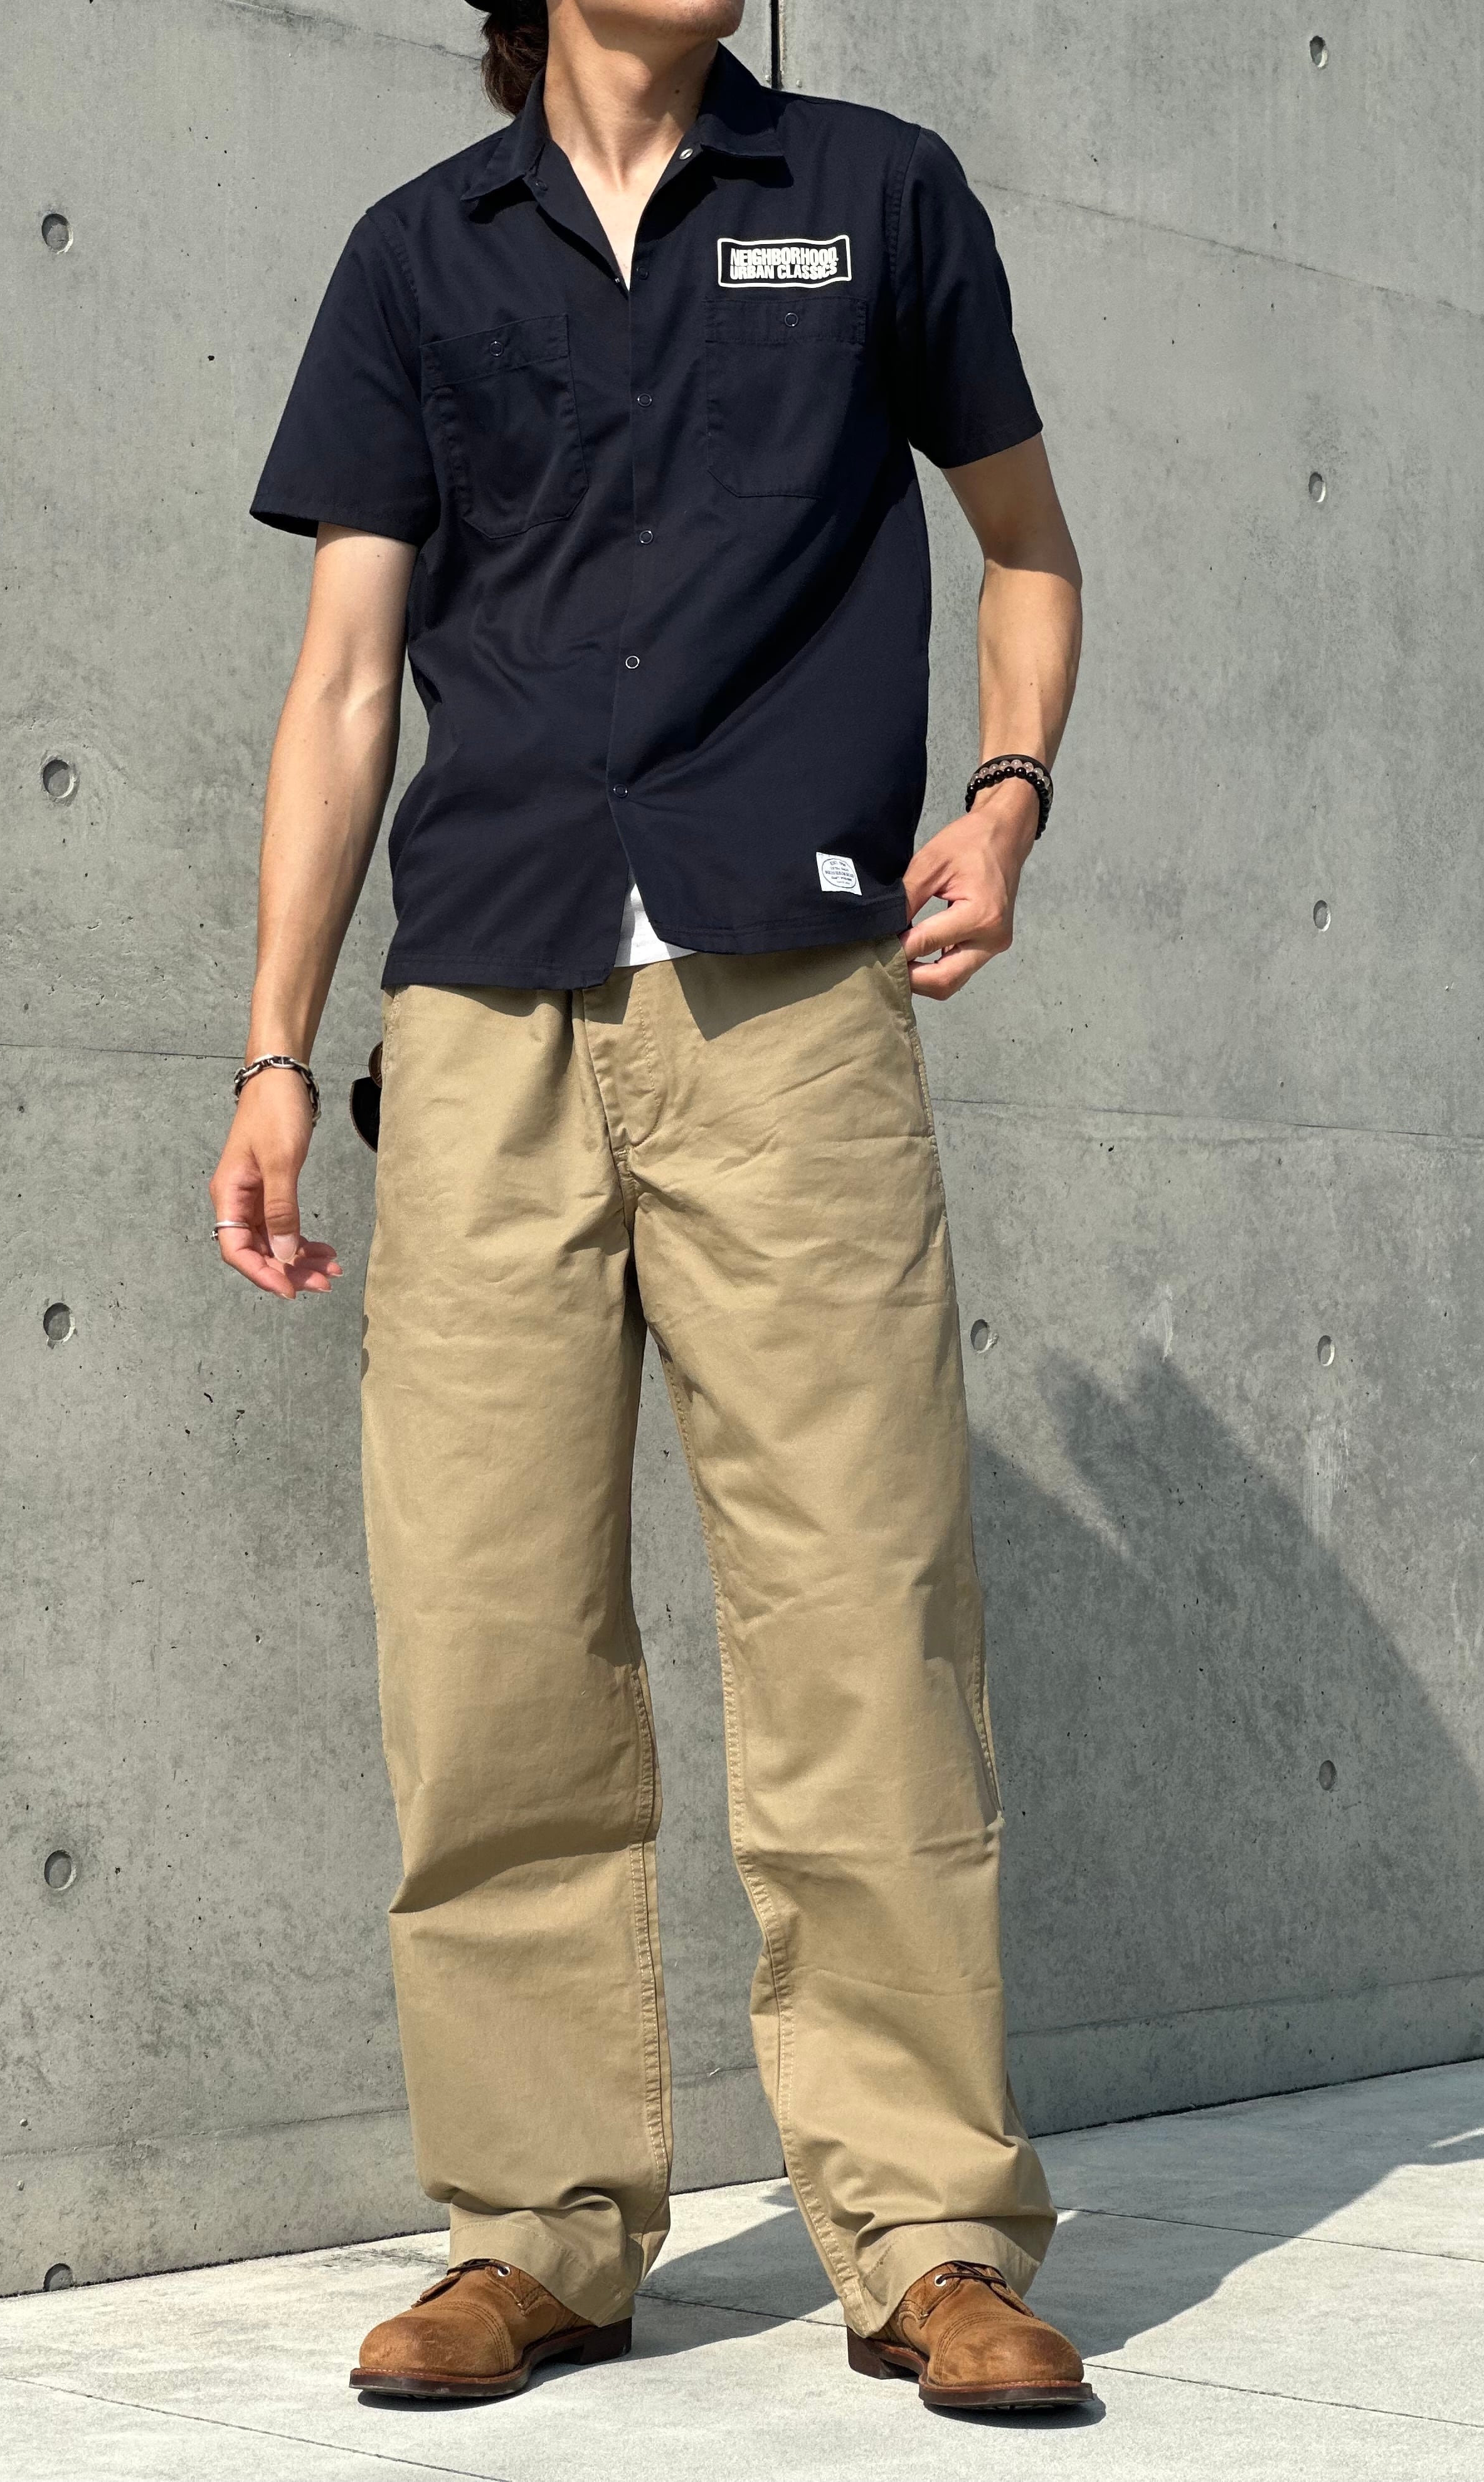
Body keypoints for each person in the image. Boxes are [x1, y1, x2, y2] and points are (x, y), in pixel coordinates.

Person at [211, 0, 1089, 2419]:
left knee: (863, 1613)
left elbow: (1026, 545)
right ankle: (535, 2232)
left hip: (790, 1006)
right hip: (480, 1013)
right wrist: (276, 1045)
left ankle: (929, 2234)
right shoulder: (418, 256)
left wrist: (1009, 788)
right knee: (484, 1640)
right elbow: (344, 680)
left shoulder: (877, 197)